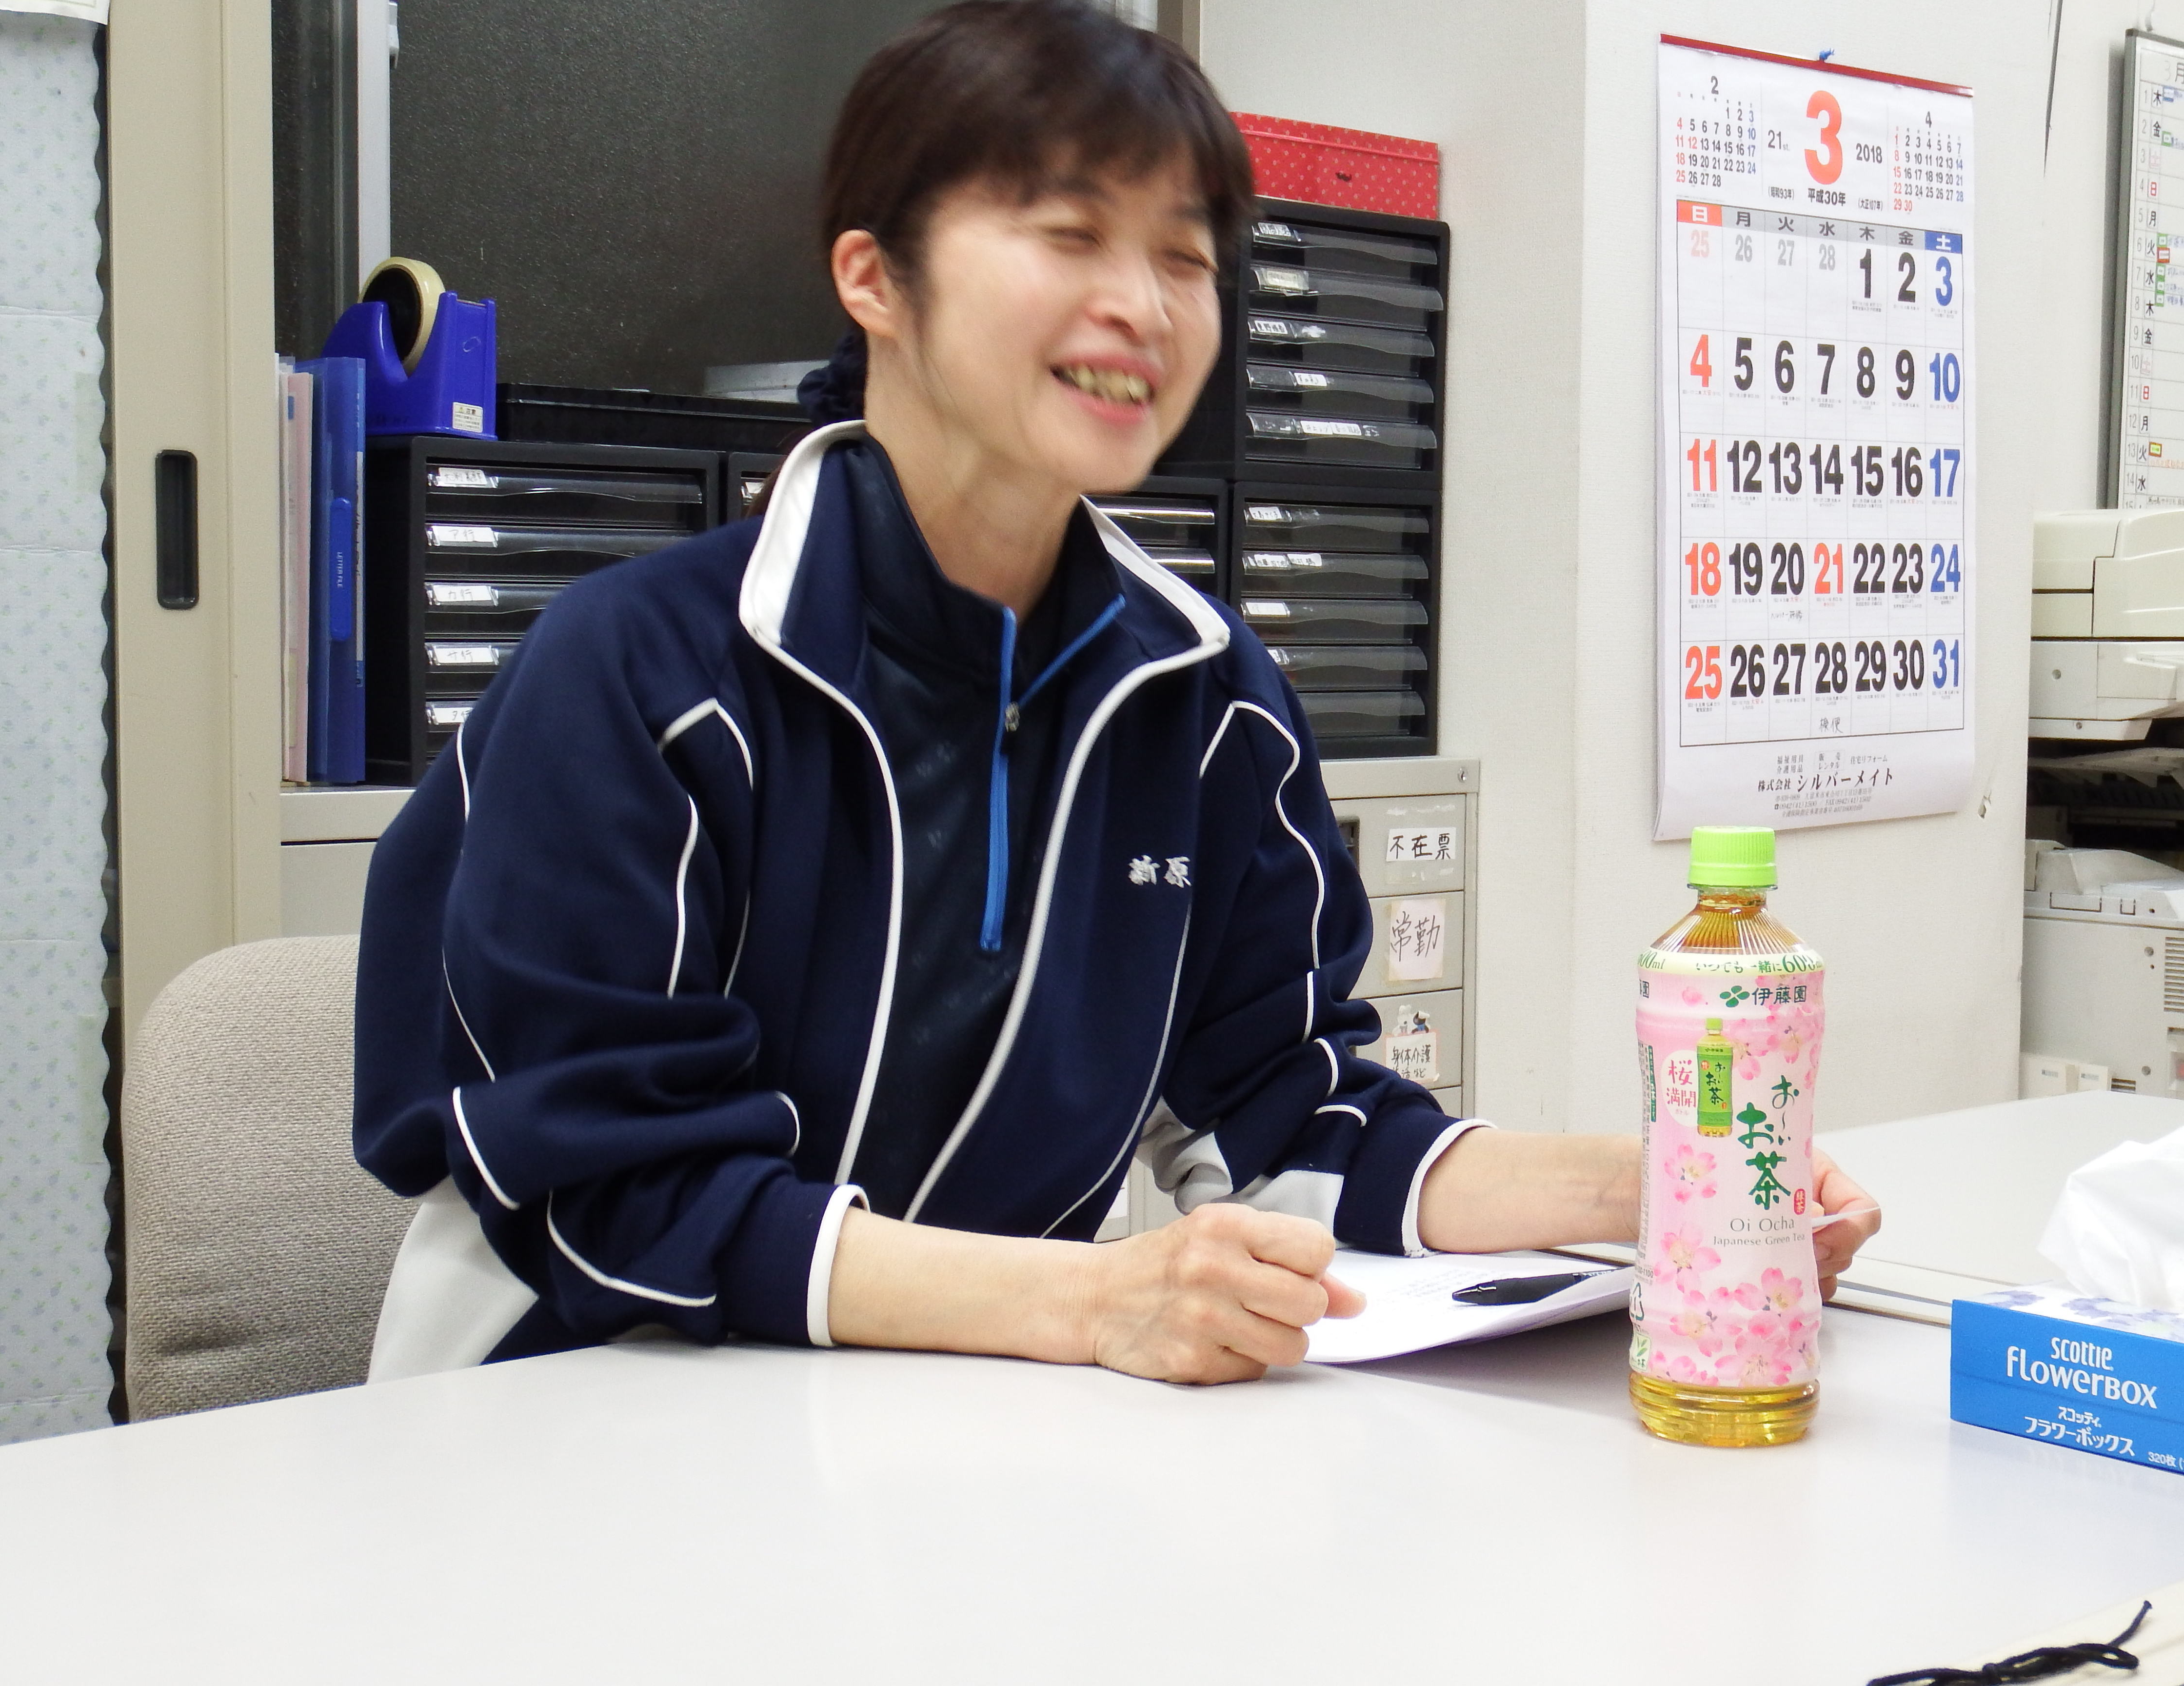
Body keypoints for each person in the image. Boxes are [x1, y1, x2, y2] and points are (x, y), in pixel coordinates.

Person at [354, 0, 1879, 1385]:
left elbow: (1293, 1119)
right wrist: (1091, 1302)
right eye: (1071, 234)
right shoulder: (641, 674)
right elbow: (621, 1194)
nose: (1142, 306)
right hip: (570, 1440)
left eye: (1185, 259)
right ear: (874, 277)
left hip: (954, 1449)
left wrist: (1681, 1185)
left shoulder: (1209, 705)